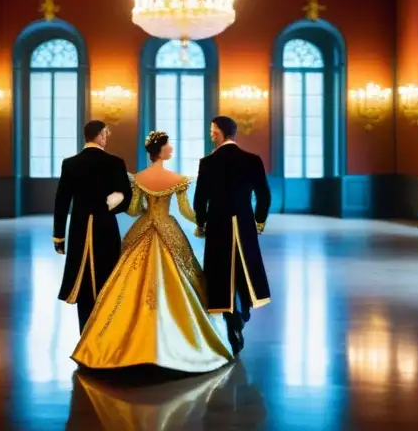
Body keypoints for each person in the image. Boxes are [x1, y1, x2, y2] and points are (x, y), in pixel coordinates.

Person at [71, 131, 232, 373]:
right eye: (168, 144)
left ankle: (122, 343)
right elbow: (187, 211)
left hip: (144, 228)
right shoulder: (177, 179)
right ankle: (180, 342)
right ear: (161, 150)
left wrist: (142, 205)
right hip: (169, 228)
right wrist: (204, 222)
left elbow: (134, 209)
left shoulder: (139, 179)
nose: (171, 148)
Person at [193, 116, 271, 355]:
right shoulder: (252, 160)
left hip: (218, 224)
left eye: (212, 130)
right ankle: (245, 310)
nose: (210, 134)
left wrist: (202, 224)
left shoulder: (207, 162)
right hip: (245, 222)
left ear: (220, 133)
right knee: (245, 267)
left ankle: (231, 321)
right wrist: (258, 222)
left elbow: (199, 201)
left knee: (221, 272)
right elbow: (264, 196)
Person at [53, 120, 132, 333]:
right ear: (98, 136)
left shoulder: (70, 163)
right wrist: (111, 205)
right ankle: (105, 331)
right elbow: (127, 197)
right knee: (107, 274)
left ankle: (85, 331)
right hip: (105, 227)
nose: (106, 138)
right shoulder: (115, 162)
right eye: (105, 134)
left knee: (84, 279)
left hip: (79, 227)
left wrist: (59, 236)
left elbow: (61, 202)